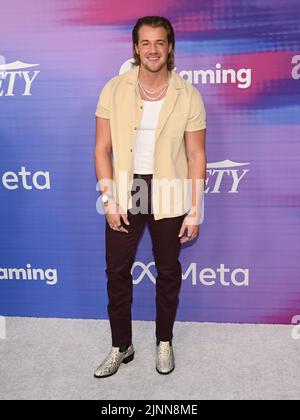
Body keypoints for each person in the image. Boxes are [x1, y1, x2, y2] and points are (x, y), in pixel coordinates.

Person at [93, 16, 206, 378]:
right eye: (145, 43)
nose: (152, 50)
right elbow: (101, 149)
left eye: (159, 42)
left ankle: (164, 342)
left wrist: (195, 210)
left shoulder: (187, 94)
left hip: (168, 189)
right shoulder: (114, 88)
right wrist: (110, 199)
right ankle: (121, 345)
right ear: (136, 48)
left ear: (170, 47)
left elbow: (196, 156)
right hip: (129, 188)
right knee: (116, 271)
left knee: (169, 270)